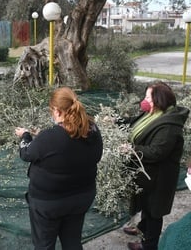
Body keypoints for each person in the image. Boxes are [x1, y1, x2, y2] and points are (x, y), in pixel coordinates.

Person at [15, 87, 103, 250]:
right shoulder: (92, 130)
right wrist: (43, 139)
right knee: (72, 241)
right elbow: (81, 149)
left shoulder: (49, 137)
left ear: (56, 110)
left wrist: (26, 135)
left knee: (44, 244)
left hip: (48, 204)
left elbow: (26, 153)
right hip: (82, 197)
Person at [122, 81, 189, 250]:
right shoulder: (152, 113)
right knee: (146, 205)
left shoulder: (169, 126)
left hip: (159, 180)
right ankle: (142, 228)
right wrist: (116, 120)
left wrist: (131, 150)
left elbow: (157, 152)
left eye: (147, 97)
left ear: (158, 100)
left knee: (154, 212)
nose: (144, 100)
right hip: (147, 177)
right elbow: (133, 122)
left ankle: (148, 245)